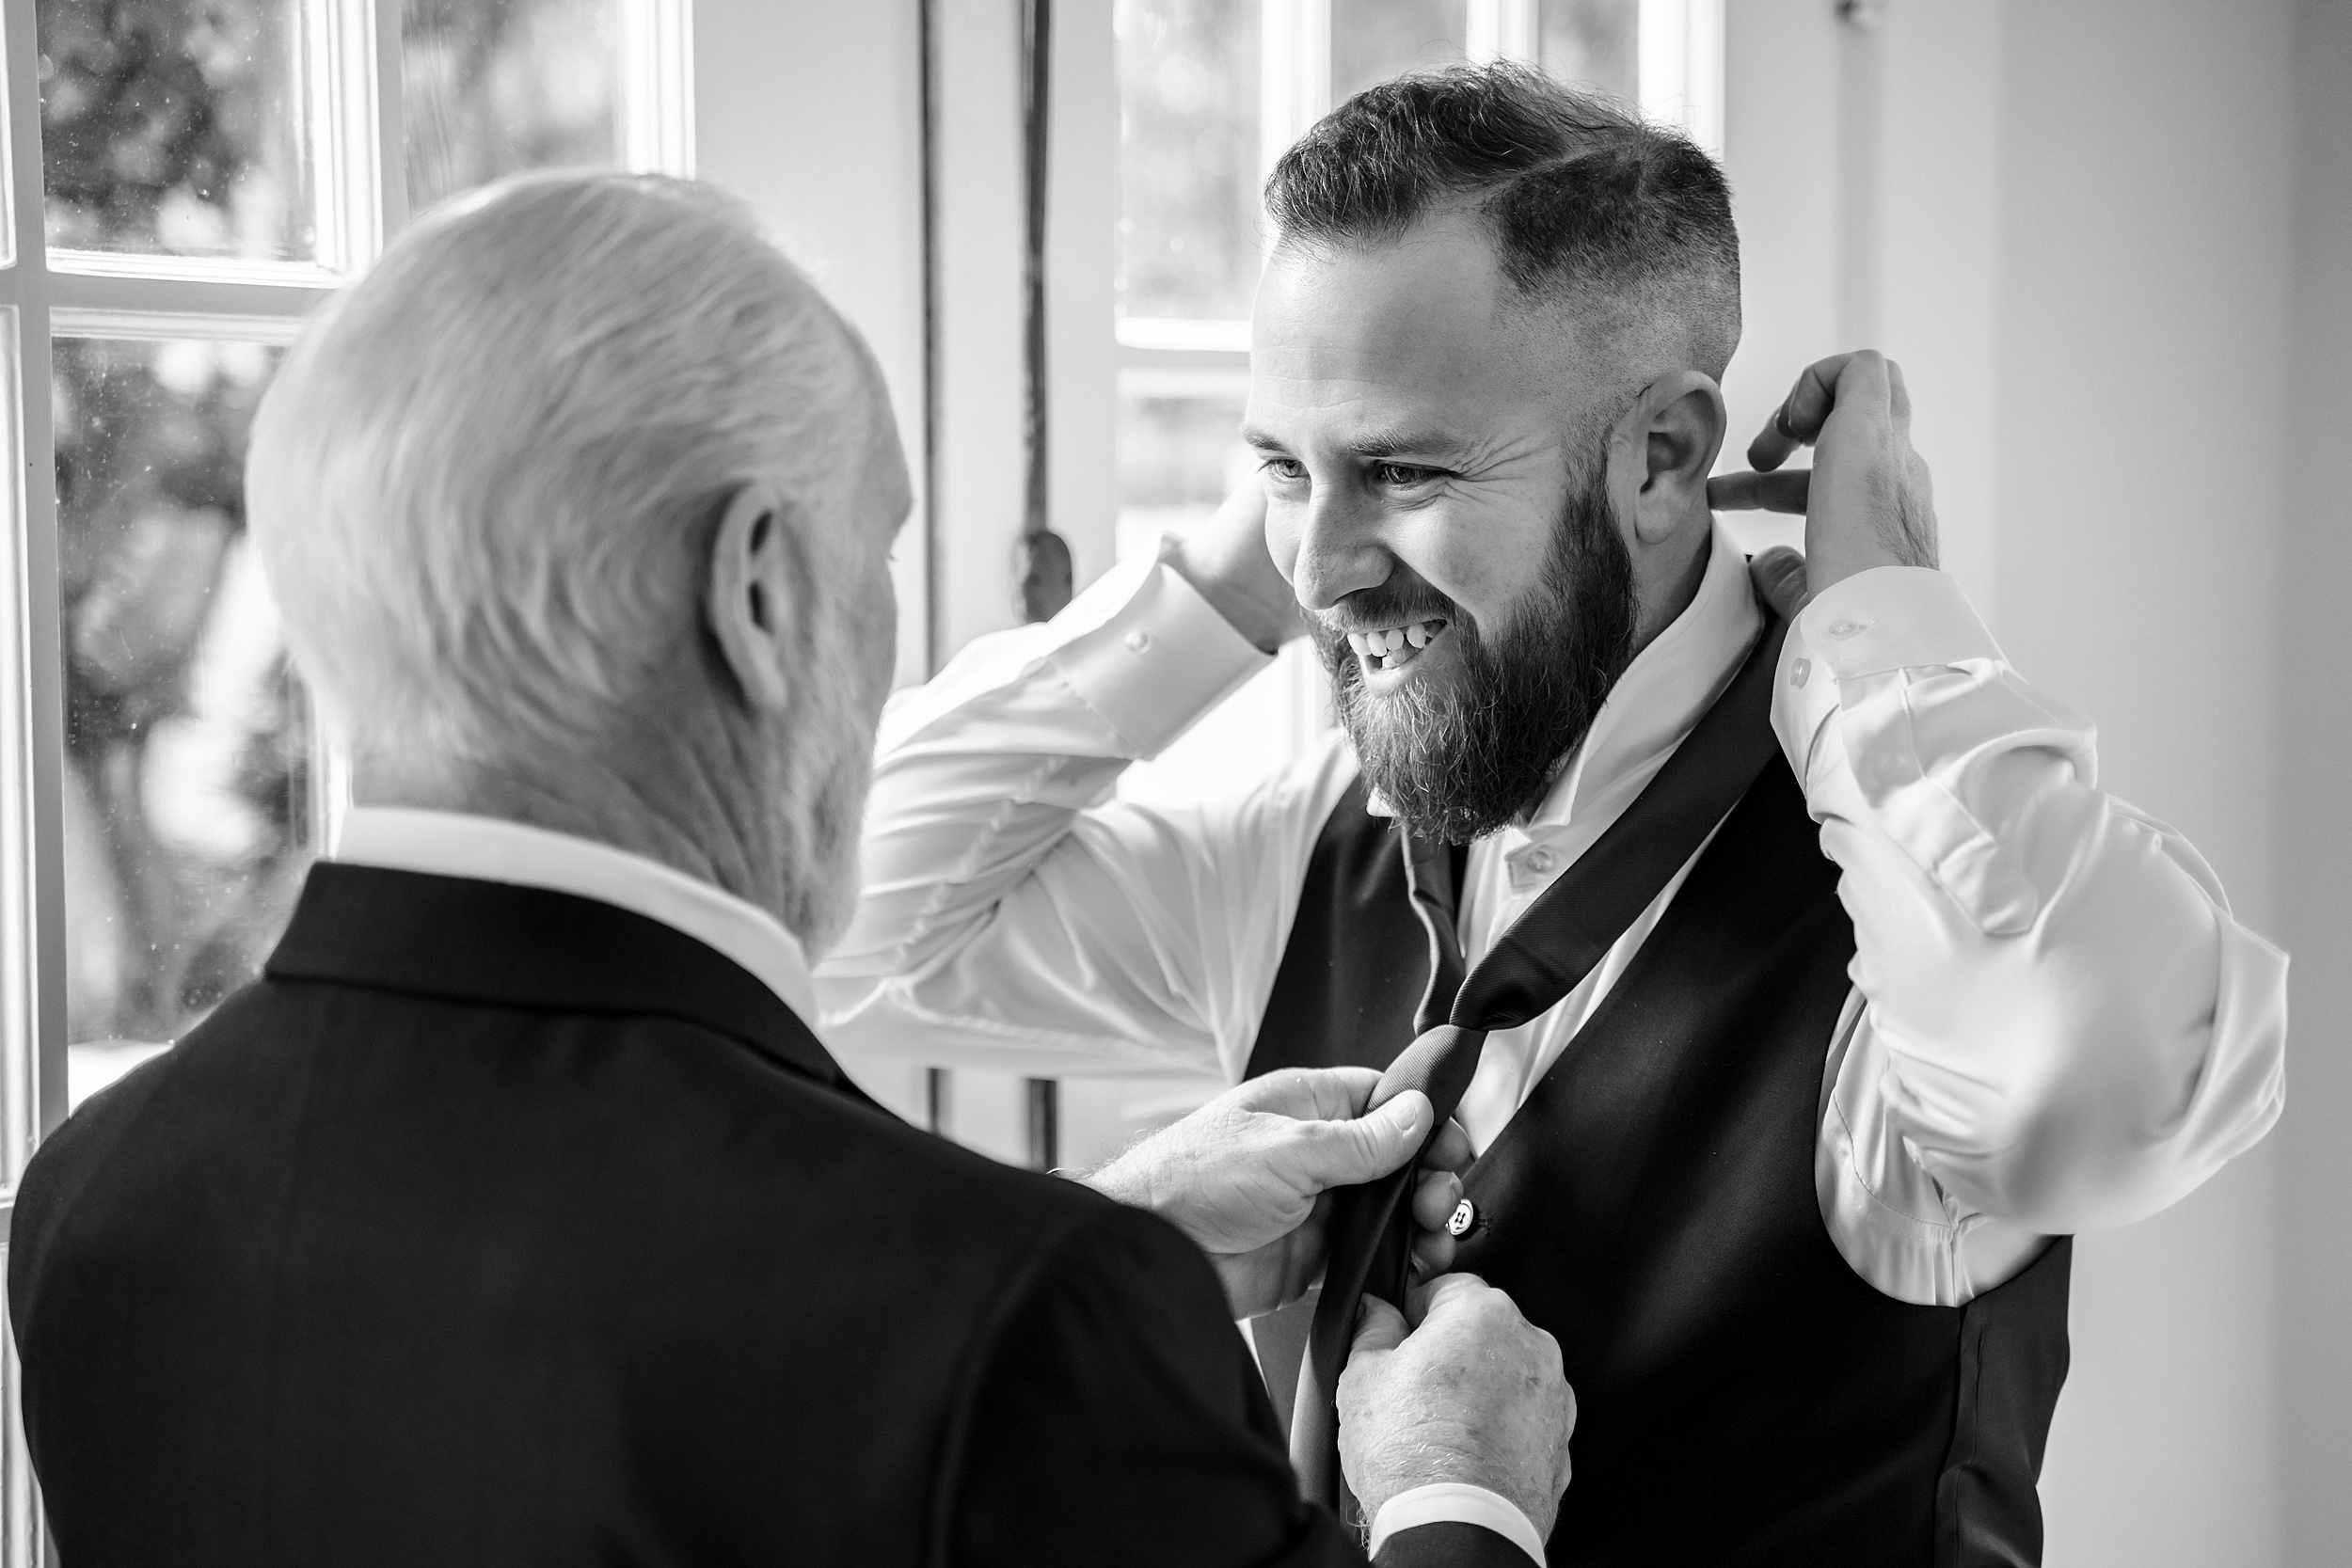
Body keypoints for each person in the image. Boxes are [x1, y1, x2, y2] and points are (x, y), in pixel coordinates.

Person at [816, 65, 2290, 1565]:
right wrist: (1236, 575)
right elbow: (835, 918)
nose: (1322, 569)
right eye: (1279, 463)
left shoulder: (1902, 910)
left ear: (1660, 459)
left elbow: (2109, 1068)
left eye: (1405, 466)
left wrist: (1880, 617)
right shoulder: (1317, 839)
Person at [5, 172, 1577, 1567]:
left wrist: (1112, 1258)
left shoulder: (103, 1197)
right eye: (878, 554)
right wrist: (1457, 1502)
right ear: (760, 591)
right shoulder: (1006, 1330)